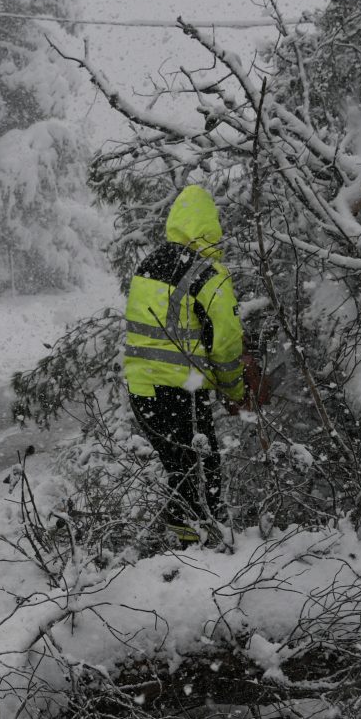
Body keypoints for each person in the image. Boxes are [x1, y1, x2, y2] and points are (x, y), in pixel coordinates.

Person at [121, 183, 247, 548]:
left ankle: (182, 547)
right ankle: (198, 553)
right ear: (211, 226)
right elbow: (224, 342)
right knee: (203, 478)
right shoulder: (208, 272)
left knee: (181, 473)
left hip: (142, 391)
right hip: (180, 392)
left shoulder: (149, 264)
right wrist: (234, 389)